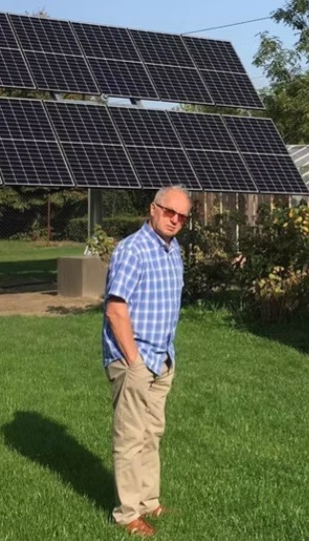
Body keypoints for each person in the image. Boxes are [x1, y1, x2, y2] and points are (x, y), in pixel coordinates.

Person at [101, 185, 190, 538]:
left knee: (152, 433)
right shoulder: (132, 249)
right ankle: (127, 515)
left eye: (182, 216)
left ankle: (149, 501)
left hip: (162, 357)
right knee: (130, 437)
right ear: (153, 209)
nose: (175, 220)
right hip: (134, 360)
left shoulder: (173, 250)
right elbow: (115, 309)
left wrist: (164, 357)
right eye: (169, 212)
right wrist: (134, 360)